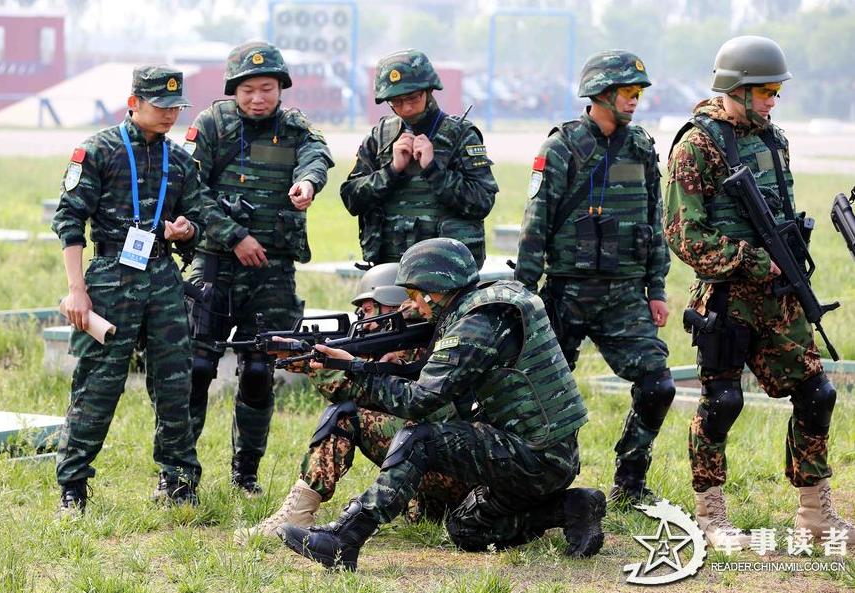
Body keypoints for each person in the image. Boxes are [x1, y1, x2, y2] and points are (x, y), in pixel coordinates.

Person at [277, 238, 605, 571]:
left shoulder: (477, 325)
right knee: (466, 528)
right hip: (548, 455)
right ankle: (570, 507)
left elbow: (420, 399)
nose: (414, 306)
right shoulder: (495, 300)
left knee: (419, 440)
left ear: (435, 290)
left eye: (415, 296)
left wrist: (356, 370)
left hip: (532, 455)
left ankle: (345, 538)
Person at [665, 35, 852, 548]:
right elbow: (683, 233)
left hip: (780, 295)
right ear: (736, 89)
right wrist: (750, 259)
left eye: (776, 90)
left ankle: (815, 513)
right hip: (728, 299)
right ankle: (710, 515)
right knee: (722, 402)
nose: (774, 99)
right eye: (766, 90)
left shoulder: (774, 139)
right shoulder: (696, 145)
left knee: (818, 393)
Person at [514, 50, 675, 505]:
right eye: (628, 92)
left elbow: (652, 218)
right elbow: (536, 223)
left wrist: (656, 288)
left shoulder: (641, 147)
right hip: (567, 292)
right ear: (601, 92)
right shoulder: (561, 148)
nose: (635, 100)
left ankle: (630, 480)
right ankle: (546, 481)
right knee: (544, 393)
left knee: (657, 383)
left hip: (624, 295)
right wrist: (525, 293)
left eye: (638, 92)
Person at [182, 41, 334, 494]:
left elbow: (317, 155)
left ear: (280, 89)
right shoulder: (211, 125)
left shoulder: (294, 127)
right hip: (215, 264)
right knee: (195, 366)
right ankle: (179, 474)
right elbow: (190, 188)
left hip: (272, 271)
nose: (257, 98)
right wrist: (235, 236)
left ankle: (245, 474)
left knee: (257, 370)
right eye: (247, 90)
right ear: (234, 90)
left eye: (266, 88)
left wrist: (308, 182)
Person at [53, 66, 204, 512]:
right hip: (109, 276)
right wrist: (77, 290)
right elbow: (69, 221)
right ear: (134, 102)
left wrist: (186, 229)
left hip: (162, 275)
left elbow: (196, 218)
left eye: (176, 107)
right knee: (98, 383)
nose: (170, 114)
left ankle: (178, 481)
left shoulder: (179, 160)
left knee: (175, 382)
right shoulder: (98, 151)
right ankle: (73, 486)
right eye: (161, 106)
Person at [233, 263, 467, 542]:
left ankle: (297, 514)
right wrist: (308, 355)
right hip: (438, 483)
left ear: (394, 306)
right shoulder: (400, 344)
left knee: (344, 416)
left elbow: (365, 394)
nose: (361, 318)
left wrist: (322, 365)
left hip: (455, 468)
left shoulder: (424, 346)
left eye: (367, 310)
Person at [340, 49, 498, 268]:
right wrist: (392, 170)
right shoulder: (381, 137)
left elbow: (483, 201)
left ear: (429, 90)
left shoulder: (460, 136)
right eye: (396, 101)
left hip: (447, 272)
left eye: (413, 98)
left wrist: (434, 170)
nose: (406, 108)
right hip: (391, 268)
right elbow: (351, 199)